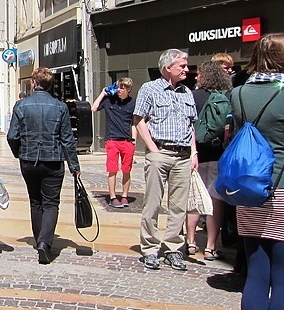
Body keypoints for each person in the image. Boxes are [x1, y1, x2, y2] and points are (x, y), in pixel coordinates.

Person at [229, 34, 284, 310]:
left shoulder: (238, 93)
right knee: (282, 276)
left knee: (257, 272)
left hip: (248, 189)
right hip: (282, 188)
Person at [6, 67, 80, 265]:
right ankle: (44, 243)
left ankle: (40, 238)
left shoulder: (21, 106)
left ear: (33, 83)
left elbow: (12, 136)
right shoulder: (60, 106)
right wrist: (74, 165)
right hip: (53, 160)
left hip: (29, 160)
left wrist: (19, 153)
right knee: (51, 202)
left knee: (35, 200)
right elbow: (67, 139)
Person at [133, 49, 198, 271]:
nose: (186, 70)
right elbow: (139, 120)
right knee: (152, 203)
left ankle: (173, 248)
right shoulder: (149, 89)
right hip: (160, 152)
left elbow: (191, 126)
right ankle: (150, 248)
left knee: (179, 206)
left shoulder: (187, 92)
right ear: (167, 67)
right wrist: (153, 149)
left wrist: (194, 153)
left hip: (183, 156)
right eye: (182, 66)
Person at [185, 61, 232, 260]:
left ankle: (191, 242)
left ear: (204, 76)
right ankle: (211, 246)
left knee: (195, 197)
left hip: (196, 155)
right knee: (215, 201)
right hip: (218, 154)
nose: (196, 77)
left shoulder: (192, 96)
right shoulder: (227, 97)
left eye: (199, 74)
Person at [91, 78, 136, 208]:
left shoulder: (132, 103)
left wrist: (133, 140)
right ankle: (113, 197)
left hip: (126, 141)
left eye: (122, 88)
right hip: (112, 140)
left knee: (126, 170)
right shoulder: (109, 100)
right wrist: (103, 93)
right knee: (112, 170)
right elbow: (94, 108)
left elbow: (134, 123)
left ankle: (125, 196)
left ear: (128, 89)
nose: (119, 90)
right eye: (118, 87)